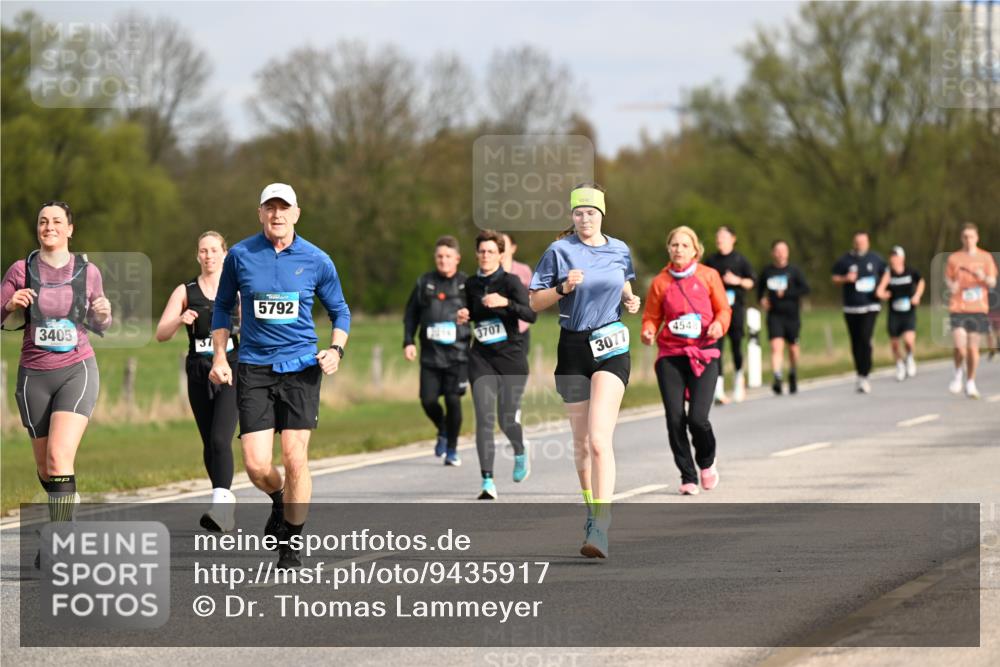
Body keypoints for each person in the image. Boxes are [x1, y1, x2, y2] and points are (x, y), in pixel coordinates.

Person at [209, 183, 351, 570]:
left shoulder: (317, 259)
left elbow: (341, 311)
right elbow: (221, 308)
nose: (277, 215)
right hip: (253, 367)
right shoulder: (239, 255)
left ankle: (291, 540)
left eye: (283, 208)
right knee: (256, 465)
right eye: (270, 208)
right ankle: (280, 498)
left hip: (301, 368)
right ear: (260, 214)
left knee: (294, 457)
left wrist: (335, 350)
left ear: (296, 213)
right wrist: (220, 356)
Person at [529, 183, 641, 559]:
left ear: (602, 214)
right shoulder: (559, 251)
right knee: (580, 446)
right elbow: (534, 301)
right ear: (572, 216)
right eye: (578, 213)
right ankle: (591, 510)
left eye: (591, 212)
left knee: (597, 440)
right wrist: (563, 288)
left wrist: (629, 298)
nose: (584, 218)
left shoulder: (620, 249)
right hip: (573, 347)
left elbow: (623, 280)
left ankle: (602, 525)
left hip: (610, 345)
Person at [1, 201, 112, 567]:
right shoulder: (21, 269)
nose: (49, 226)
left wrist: (102, 314)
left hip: (76, 369)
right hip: (34, 374)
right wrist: (10, 304)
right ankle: (66, 506)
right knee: (47, 469)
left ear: (70, 229)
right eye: (43, 221)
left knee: (59, 457)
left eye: (57, 221)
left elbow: (101, 322)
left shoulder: (86, 271)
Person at [155, 231, 240, 531]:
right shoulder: (186, 291)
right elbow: (161, 333)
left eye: (214, 250)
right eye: (203, 251)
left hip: (231, 368)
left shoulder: (237, 289)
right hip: (198, 370)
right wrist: (180, 320)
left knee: (221, 438)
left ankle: (221, 506)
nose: (209, 256)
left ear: (224, 254)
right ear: (197, 256)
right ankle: (223, 504)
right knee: (209, 444)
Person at [642, 226, 730, 495]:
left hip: (704, 353)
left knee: (698, 419)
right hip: (671, 355)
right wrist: (647, 330)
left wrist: (718, 325)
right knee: (675, 418)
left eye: (684, 245)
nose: (678, 249)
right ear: (668, 249)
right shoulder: (660, 282)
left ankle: (706, 462)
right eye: (674, 245)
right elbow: (652, 317)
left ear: (695, 250)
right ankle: (687, 475)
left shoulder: (709, 276)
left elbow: (723, 309)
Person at [457, 230, 537, 499]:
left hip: (511, 358)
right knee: (484, 417)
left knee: (506, 418)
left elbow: (530, 314)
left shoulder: (511, 281)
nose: (485, 256)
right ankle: (487, 481)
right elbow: (468, 312)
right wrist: (463, 315)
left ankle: (520, 449)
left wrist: (506, 302)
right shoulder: (470, 284)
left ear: (501, 254)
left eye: (491, 251)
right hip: (481, 358)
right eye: (481, 251)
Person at [402, 236, 470, 466]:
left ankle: (452, 449)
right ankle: (442, 428)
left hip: (458, 355)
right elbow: (411, 314)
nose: (443, 260)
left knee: (453, 400)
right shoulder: (425, 282)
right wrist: (408, 341)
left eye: (448, 256)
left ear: (457, 259)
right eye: (439, 256)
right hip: (431, 355)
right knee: (428, 400)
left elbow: (480, 314)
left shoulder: (466, 285)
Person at [944, 223, 997, 399]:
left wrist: (984, 278)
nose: (968, 240)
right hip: (958, 307)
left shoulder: (986, 258)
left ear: (977, 237)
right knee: (960, 347)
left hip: (978, 308)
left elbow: (993, 282)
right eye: (965, 236)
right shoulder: (954, 259)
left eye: (971, 236)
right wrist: (952, 287)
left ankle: (971, 382)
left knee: (973, 349)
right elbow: (948, 281)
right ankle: (958, 373)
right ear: (961, 238)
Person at [703, 225, 754, 403]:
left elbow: (751, 282)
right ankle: (719, 389)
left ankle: (739, 381)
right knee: (717, 349)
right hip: (716, 312)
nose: (720, 240)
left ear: (733, 238)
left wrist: (736, 280)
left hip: (736, 309)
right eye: (718, 236)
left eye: (723, 236)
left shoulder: (741, 260)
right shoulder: (711, 260)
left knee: (736, 346)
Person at [831, 231, 887, 394]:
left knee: (865, 336)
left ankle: (866, 372)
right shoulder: (845, 260)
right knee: (855, 341)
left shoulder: (875, 259)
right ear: (853, 243)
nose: (860, 245)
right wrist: (845, 279)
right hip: (851, 306)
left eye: (863, 242)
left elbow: (887, 273)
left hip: (870, 305)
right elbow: (834, 277)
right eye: (858, 242)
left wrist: (881, 289)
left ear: (868, 242)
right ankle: (860, 374)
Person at [757, 240, 811, 395]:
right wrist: (762, 300)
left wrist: (787, 293)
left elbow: (806, 289)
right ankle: (777, 378)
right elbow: (760, 291)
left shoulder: (794, 271)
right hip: (774, 315)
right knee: (776, 347)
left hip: (792, 315)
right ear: (773, 253)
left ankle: (793, 372)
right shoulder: (767, 271)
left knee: (793, 349)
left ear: (787, 253)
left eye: (783, 250)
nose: (780, 253)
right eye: (777, 250)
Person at [875, 246, 925, 382]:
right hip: (894, 314)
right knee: (895, 344)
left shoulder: (910, 272)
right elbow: (879, 290)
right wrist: (883, 294)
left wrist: (917, 295)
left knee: (909, 341)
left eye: (896, 256)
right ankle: (899, 365)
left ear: (902, 258)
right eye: (892, 256)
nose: (893, 259)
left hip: (908, 312)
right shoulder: (888, 274)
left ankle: (909, 357)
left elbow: (921, 282)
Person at [502, 232, 535, 350]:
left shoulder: (523, 270)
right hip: (497, 331)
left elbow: (533, 297)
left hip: (520, 330)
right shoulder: (488, 271)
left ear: (513, 248)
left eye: (503, 244)